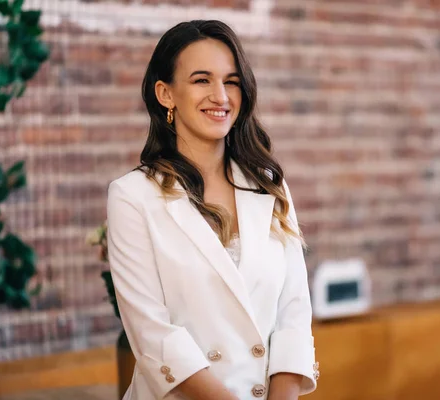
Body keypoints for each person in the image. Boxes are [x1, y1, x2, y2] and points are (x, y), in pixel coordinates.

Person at [106, 20, 318, 400]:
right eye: (202, 80)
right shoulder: (132, 197)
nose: (220, 96)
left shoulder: (269, 184)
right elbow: (153, 335)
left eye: (231, 81)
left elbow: (294, 314)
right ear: (165, 94)